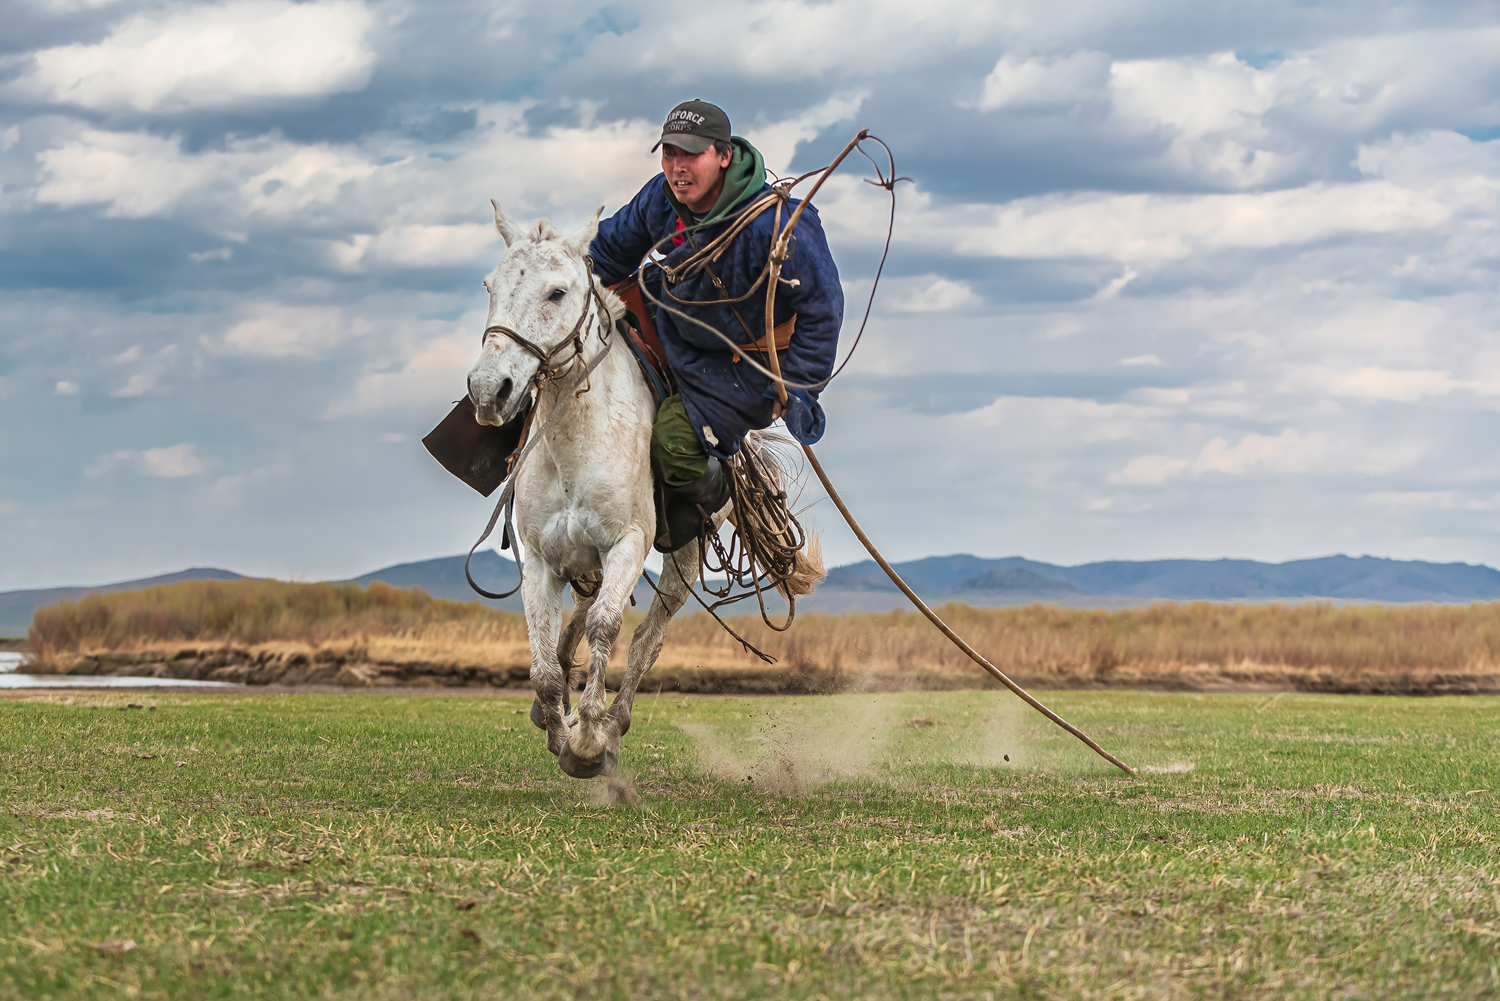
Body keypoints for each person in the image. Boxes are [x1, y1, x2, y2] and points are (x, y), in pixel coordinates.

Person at [590, 99, 844, 551]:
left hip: (741, 369)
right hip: (669, 328)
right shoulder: (661, 197)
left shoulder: (780, 222)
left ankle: (721, 494)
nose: (677, 167)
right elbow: (610, 252)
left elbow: (823, 309)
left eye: (690, 154)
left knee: (672, 447)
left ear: (724, 155)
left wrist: (799, 387)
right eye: (669, 154)